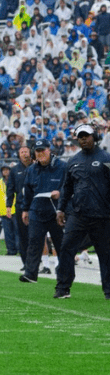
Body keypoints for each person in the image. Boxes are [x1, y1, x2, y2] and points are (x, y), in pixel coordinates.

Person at [54, 124, 110, 299]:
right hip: (78, 214)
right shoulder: (73, 160)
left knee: (106, 254)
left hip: (102, 215)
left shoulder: (106, 158)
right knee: (66, 249)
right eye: (80, 137)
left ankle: (109, 290)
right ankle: (63, 288)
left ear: (95, 137)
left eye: (86, 136)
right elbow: (67, 187)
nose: (83, 139)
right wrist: (60, 209)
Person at [19, 140, 67, 284]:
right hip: (37, 210)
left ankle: (64, 274)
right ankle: (30, 273)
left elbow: (69, 185)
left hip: (56, 211)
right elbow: (27, 191)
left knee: (61, 244)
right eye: (37, 151)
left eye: (43, 150)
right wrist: (25, 209)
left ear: (49, 150)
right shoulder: (31, 170)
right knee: (34, 241)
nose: (40, 154)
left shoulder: (62, 167)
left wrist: (60, 193)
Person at [6, 146, 32, 270]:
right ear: (19, 154)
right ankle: (26, 262)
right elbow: (10, 189)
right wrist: (8, 206)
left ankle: (37, 261)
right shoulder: (15, 170)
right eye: (22, 152)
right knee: (23, 235)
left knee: (36, 235)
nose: (24, 154)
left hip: (35, 206)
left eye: (26, 151)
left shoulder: (36, 166)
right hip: (21, 206)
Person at [0, 164, 18, 256]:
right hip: (3, 211)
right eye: (3, 170)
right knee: (8, 233)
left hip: (14, 210)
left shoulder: (15, 180)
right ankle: (11, 250)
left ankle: (20, 249)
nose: (5, 172)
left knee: (17, 231)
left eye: (7, 170)